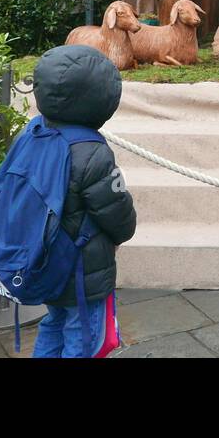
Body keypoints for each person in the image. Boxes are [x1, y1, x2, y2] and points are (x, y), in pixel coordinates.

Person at [30, 45, 137, 358]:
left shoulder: (32, 133)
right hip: (81, 266)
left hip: (46, 257)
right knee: (84, 333)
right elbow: (116, 211)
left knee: (54, 321)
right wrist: (123, 232)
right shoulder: (93, 152)